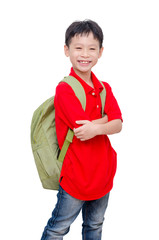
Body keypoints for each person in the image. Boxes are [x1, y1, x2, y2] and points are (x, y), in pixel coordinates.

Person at [41, 19, 123, 240]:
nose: (84, 54)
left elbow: (118, 124)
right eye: (78, 47)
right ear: (67, 50)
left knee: (95, 226)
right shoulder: (65, 89)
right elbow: (81, 129)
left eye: (91, 48)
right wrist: (105, 120)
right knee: (58, 228)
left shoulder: (104, 88)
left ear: (100, 52)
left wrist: (99, 125)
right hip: (75, 177)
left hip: (103, 176)